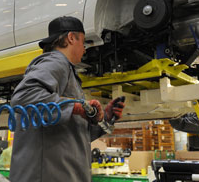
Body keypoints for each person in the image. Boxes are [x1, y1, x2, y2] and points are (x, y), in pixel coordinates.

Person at [9, 16, 125, 182]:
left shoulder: (67, 72)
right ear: (71, 38)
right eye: (83, 42)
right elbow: (24, 97)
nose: (85, 49)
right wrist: (76, 107)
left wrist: (106, 117)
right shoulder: (55, 61)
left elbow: (76, 134)